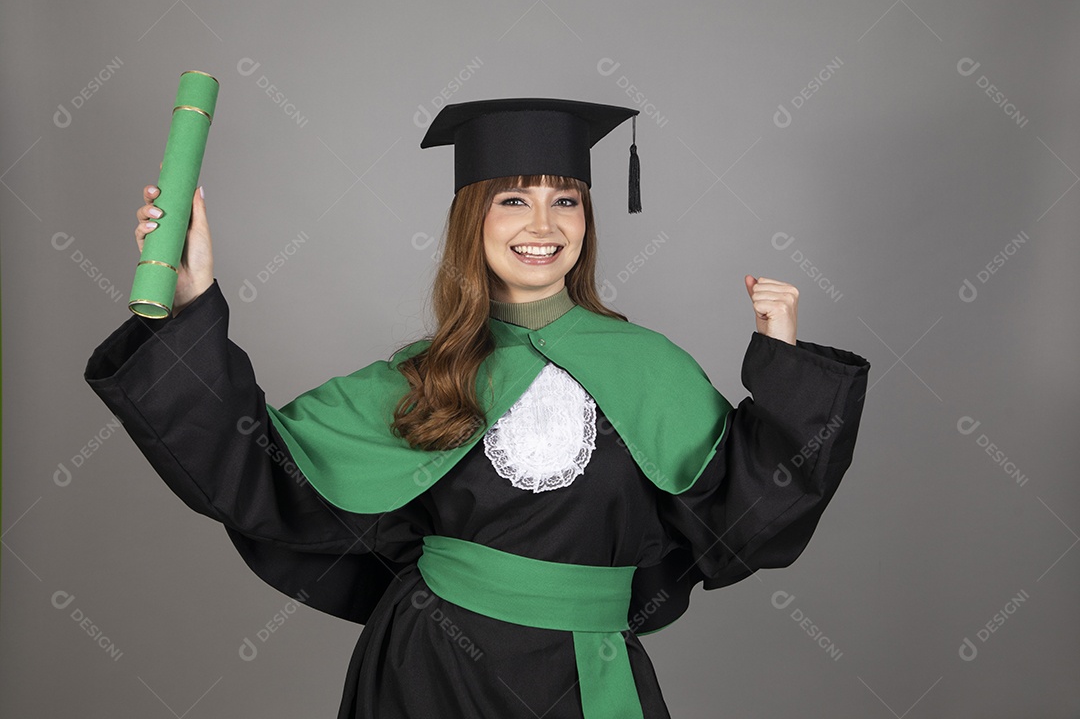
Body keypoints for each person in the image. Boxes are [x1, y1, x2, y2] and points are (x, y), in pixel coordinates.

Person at [85, 97, 871, 719]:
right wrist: (191, 306)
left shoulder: (651, 367)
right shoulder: (424, 376)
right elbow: (263, 469)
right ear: (472, 221)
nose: (542, 225)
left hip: (586, 670)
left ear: (588, 219)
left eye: (565, 199)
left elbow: (752, 514)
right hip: (430, 670)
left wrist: (785, 363)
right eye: (511, 201)